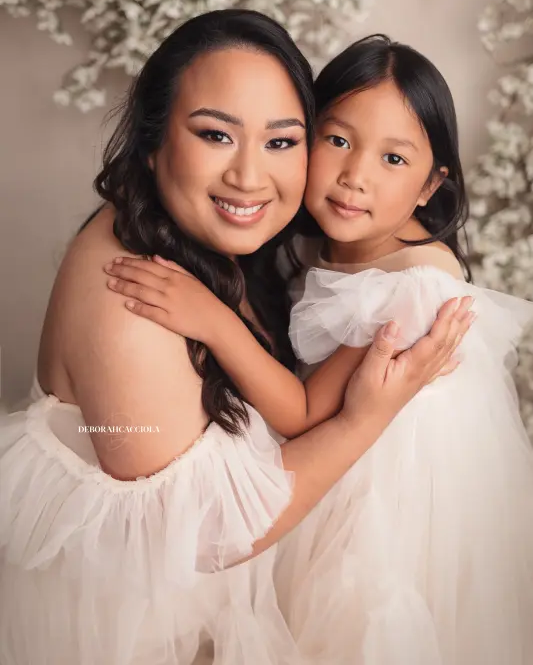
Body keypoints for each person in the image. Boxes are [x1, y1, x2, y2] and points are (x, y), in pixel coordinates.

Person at [0, 15, 470, 665]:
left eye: (280, 142)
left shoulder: (204, 237)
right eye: (216, 135)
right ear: (152, 141)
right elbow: (209, 531)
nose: (249, 176)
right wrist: (365, 418)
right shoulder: (131, 289)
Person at [106, 34, 533, 664]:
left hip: (384, 521)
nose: (355, 176)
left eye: (393, 160)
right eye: (337, 140)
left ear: (429, 185)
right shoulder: (327, 245)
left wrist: (211, 319)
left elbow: (304, 412)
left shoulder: (412, 291)